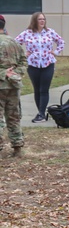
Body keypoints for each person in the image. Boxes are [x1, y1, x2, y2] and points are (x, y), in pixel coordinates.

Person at [15, 12, 64, 123]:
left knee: (44, 89)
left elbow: (61, 42)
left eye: (44, 19)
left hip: (48, 63)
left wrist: (55, 52)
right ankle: (41, 113)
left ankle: (41, 114)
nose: (42, 21)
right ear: (34, 21)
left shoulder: (50, 32)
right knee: (37, 89)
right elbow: (15, 43)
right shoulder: (27, 33)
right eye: (40, 19)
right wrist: (23, 54)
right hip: (33, 64)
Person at [0, 15, 28, 157]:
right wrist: (14, 73)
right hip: (13, 85)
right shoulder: (14, 42)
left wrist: (4, 73)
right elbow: (24, 61)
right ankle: (17, 147)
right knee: (13, 116)